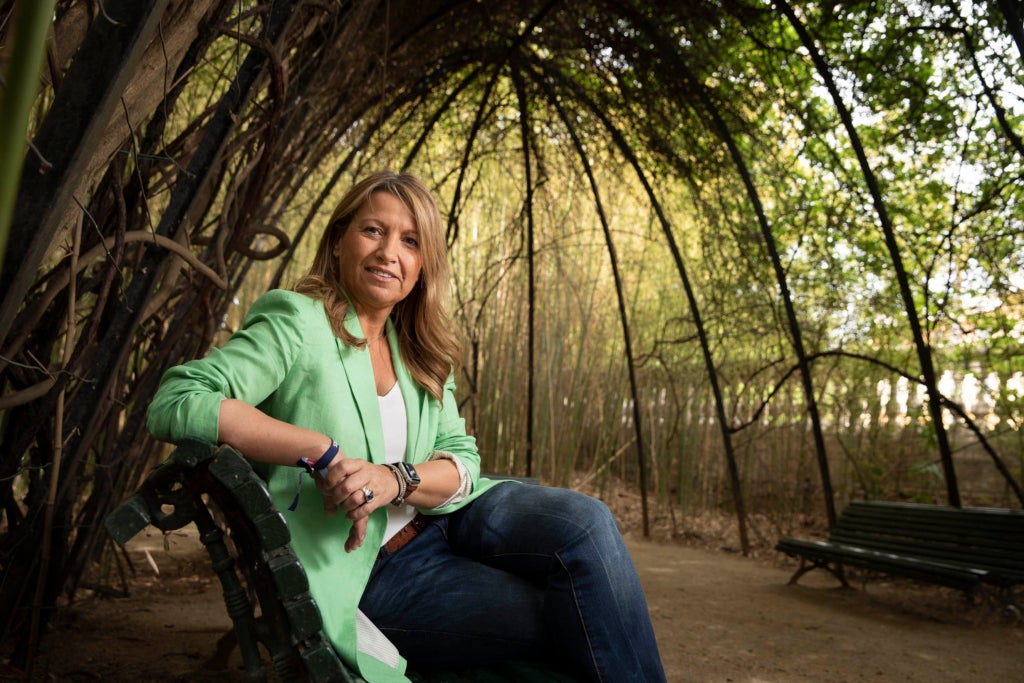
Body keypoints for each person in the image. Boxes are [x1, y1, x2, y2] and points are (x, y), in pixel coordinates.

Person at [147, 171, 666, 682]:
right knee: (571, 610)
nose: (389, 252)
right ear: (339, 240)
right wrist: (321, 450)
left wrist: (396, 478)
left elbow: (461, 455)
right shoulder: (298, 322)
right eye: (373, 230)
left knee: (587, 523)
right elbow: (179, 399)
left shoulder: (419, 347)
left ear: (423, 264)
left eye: (410, 241)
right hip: (375, 569)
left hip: (449, 514)